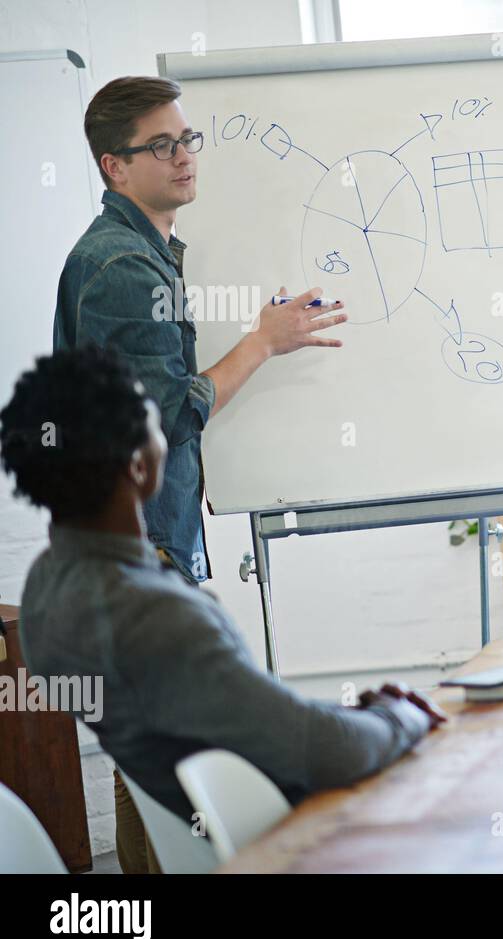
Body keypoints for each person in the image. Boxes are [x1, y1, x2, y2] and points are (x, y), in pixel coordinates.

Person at [0, 347, 442, 873]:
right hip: (285, 843)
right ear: (138, 466)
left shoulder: (48, 589)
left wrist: (355, 719)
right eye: (156, 422)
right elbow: (326, 752)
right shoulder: (155, 615)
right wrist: (402, 716)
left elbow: (266, 722)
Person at [56, 75, 346, 584]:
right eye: (162, 146)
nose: (184, 157)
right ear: (115, 166)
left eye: (187, 140)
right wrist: (263, 342)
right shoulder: (124, 265)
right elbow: (171, 416)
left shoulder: (140, 252)